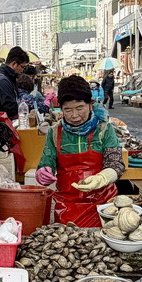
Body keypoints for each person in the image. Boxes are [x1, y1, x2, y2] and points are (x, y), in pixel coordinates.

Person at [34, 75, 124, 227]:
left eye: (79, 108)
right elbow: (47, 160)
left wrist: (102, 178)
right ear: (60, 109)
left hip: (103, 205)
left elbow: (116, 164)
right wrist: (43, 171)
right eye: (67, 110)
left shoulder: (104, 128)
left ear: (90, 104)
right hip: (67, 208)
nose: (74, 115)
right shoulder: (55, 132)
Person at [0, 46, 29, 119]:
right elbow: (11, 110)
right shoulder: (2, 81)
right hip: (5, 126)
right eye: (22, 67)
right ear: (14, 64)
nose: (22, 71)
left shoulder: (9, 78)